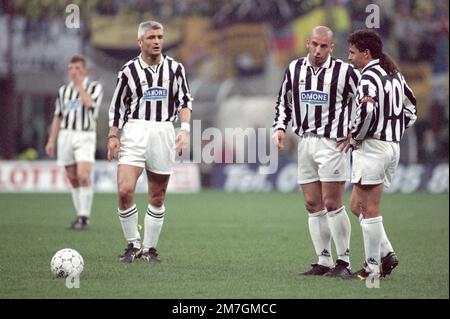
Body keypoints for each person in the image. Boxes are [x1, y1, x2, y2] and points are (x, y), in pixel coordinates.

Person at [272, 26, 359, 278]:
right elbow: (282, 102)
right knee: (312, 203)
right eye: (315, 45)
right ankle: (323, 260)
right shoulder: (294, 68)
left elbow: (366, 100)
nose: (318, 50)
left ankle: (344, 262)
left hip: (333, 143)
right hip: (305, 142)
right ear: (307, 43)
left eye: (324, 46)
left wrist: (356, 131)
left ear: (332, 48)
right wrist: (279, 127)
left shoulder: (345, 72)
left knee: (332, 202)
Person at [107, 21, 193, 263]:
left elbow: (185, 101)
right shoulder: (127, 71)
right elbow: (116, 108)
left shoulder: (175, 69)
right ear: (140, 42)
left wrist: (184, 130)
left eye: (160, 37)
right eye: (151, 37)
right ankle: (132, 244)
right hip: (134, 130)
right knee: (124, 190)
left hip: (163, 130)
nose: (157, 41)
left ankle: (149, 249)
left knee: (157, 196)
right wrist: (113, 136)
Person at [346, 30, 417, 280]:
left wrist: (355, 137)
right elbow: (412, 106)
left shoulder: (367, 77)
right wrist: (394, 129)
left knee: (371, 209)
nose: (349, 57)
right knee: (357, 205)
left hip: (373, 147)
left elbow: (366, 112)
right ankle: (387, 253)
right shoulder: (394, 74)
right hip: (390, 146)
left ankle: (371, 268)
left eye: (353, 52)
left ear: (366, 53)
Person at [45, 55, 104, 230]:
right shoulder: (63, 91)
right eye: (71, 68)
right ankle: (80, 216)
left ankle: (84, 217)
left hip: (85, 135)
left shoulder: (94, 87)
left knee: (83, 175)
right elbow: (58, 116)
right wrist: (51, 140)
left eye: (78, 68)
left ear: (85, 70)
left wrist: (79, 86)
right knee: (72, 178)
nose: (74, 72)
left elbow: (89, 104)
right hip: (66, 136)